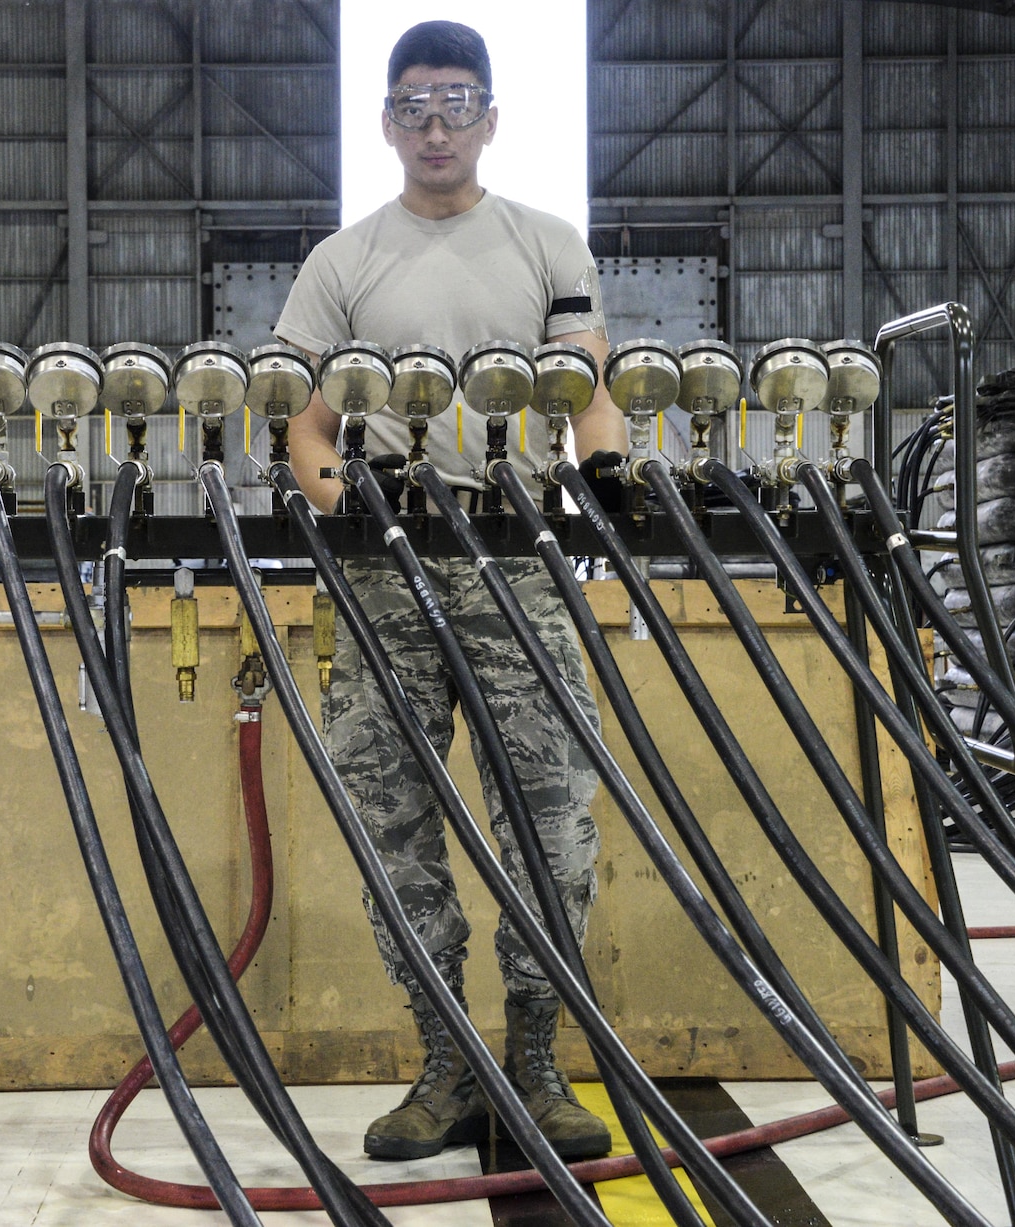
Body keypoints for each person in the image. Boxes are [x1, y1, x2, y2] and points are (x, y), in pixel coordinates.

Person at [274, 21, 627, 1163]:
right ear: (387, 122)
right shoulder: (343, 262)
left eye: (457, 103)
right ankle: (445, 1064)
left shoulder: (544, 245)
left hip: (516, 566)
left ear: (490, 119)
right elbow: (306, 426)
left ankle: (533, 1061)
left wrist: (608, 475)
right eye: (415, 106)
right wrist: (343, 501)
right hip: (384, 576)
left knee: (550, 823)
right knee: (392, 825)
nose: (436, 125)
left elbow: (590, 396)